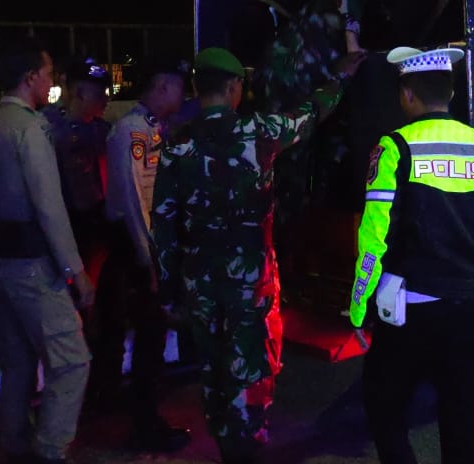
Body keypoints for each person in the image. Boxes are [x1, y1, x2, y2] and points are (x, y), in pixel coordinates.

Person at [152, 47, 363, 464]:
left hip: (199, 280)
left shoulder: (177, 143)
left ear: (196, 87)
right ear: (234, 87)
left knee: (212, 368)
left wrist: (168, 288)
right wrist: (340, 78)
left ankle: (225, 439)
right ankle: (245, 446)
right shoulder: (257, 130)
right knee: (250, 365)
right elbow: (309, 115)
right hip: (250, 281)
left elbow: (163, 221)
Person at [348, 46, 474, 464]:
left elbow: (374, 237)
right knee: (463, 417)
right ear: (451, 93)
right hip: (471, 307)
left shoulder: (395, 148)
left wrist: (360, 307)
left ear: (407, 95)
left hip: (411, 313)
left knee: (385, 406)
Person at [0, 39, 95, 464]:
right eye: (47, 75)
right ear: (30, 78)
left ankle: (15, 445)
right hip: (32, 262)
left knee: (18, 362)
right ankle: (51, 450)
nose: (51, 82)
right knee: (72, 361)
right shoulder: (29, 128)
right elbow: (48, 205)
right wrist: (75, 269)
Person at [99, 57, 190, 450]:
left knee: (152, 335)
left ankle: (145, 417)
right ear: (162, 86)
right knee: (149, 335)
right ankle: (145, 426)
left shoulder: (151, 128)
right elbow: (135, 201)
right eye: (179, 86)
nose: (184, 95)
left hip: (146, 244)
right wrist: (147, 258)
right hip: (138, 247)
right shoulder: (132, 131)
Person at [43, 59, 111, 282]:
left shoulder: (102, 130)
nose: (106, 100)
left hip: (97, 220)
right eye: (100, 94)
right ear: (80, 93)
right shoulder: (48, 129)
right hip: (67, 223)